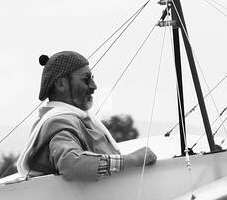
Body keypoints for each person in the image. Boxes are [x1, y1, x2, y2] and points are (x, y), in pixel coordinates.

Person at [16, 51, 156, 181]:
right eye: (86, 79)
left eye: (92, 79)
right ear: (60, 84)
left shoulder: (73, 119)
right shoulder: (58, 124)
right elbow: (70, 164)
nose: (94, 86)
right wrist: (133, 159)